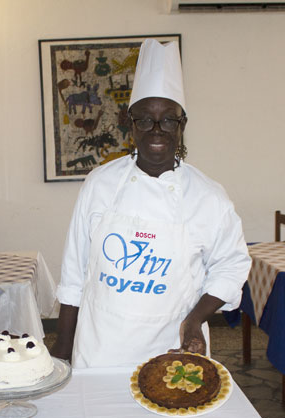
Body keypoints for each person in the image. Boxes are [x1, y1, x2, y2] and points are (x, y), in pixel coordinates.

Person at [52, 39, 251, 368]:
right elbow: (74, 275)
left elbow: (231, 266)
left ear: (182, 125)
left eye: (168, 120)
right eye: (145, 119)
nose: (157, 130)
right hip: (101, 350)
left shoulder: (209, 197)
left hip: (173, 349)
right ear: (131, 124)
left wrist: (195, 320)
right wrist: (61, 351)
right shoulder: (99, 184)